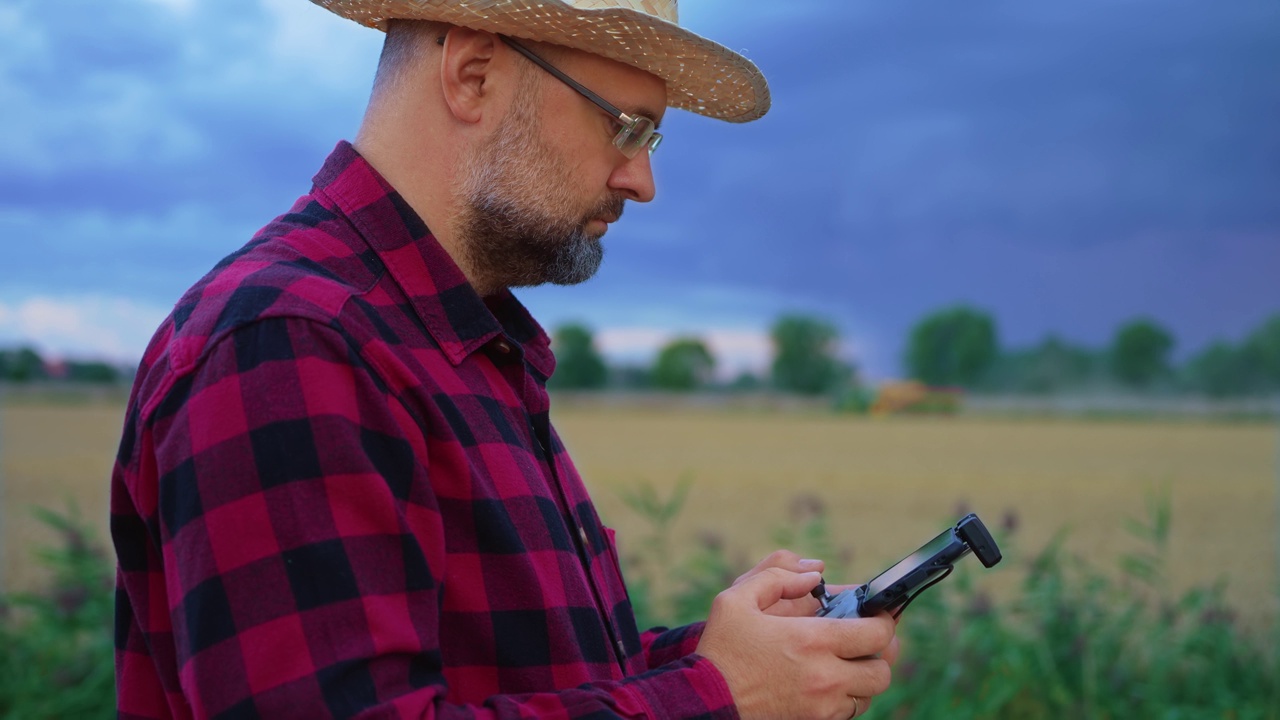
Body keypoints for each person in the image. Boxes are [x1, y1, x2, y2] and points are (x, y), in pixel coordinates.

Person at [110, 1, 900, 718]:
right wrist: (720, 698)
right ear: (472, 73)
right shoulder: (289, 344)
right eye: (626, 126)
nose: (643, 180)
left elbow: (525, 680)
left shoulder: (450, 341)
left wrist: (730, 661)